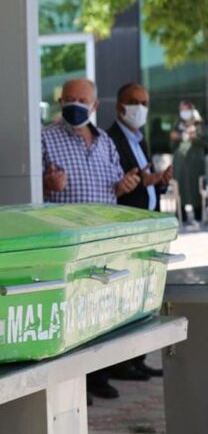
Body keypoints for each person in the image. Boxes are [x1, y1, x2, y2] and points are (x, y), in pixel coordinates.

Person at [42, 78, 140, 402]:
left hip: (102, 241)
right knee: (69, 315)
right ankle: (72, 384)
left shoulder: (105, 142)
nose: (74, 105)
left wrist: (123, 186)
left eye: (82, 100)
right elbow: (30, 187)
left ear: (95, 105)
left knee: (100, 311)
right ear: (60, 102)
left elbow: (114, 184)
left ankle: (97, 376)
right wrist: (47, 184)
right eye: (68, 98)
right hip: (66, 244)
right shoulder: (45, 137)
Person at [106, 83, 172, 381]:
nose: (140, 108)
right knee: (123, 296)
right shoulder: (111, 139)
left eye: (145, 102)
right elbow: (118, 184)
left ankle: (137, 358)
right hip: (125, 226)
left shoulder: (139, 140)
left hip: (146, 227)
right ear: (120, 105)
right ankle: (119, 363)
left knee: (142, 297)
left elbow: (144, 182)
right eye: (134, 102)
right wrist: (141, 183)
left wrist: (159, 182)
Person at [171, 100, 206, 224]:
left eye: (187, 109)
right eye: (182, 110)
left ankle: (198, 215)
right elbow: (172, 142)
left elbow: (205, 141)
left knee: (196, 187)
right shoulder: (177, 124)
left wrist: (194, 136)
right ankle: (182, 215)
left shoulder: (199, 124)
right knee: (180, 188)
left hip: (196, 163)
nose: (184, 112)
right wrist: (179, 136)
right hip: (180, 164)